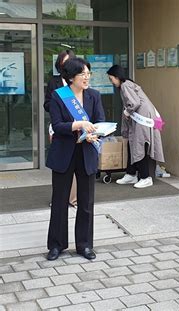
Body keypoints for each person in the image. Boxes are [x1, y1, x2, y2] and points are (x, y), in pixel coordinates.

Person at [45, 57, 105, 261]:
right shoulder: (58, 96)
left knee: (86, 202)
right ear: (71, 77)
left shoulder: (94, 96)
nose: (87, 77)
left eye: (88, 73)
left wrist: (94, 133)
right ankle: (56, 245)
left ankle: (85, 245)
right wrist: (78, 125)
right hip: (64, 152)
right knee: (60, 200)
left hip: (86, 152)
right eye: (83, 74)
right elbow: (57, 125)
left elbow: (99, 122)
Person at [107, 65, 165, 188]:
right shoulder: (128, 84)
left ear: (117, 77)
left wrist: (127, 112)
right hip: (143, 117)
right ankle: (131, 173)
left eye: (111, 78)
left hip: (142, 119)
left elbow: (134, 103)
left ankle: (145, 177)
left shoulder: (124, 85)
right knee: (132, 144)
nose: (111, 81)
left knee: (140, 145)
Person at [44, 49, 77, 208]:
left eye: (68, 64)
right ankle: (58, 198)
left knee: (76, 163)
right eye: (63, 64)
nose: (65, 67)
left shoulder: (78, 83)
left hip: (77, 128)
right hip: (59, 126)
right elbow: (47, 104)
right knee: (60, 164)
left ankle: (73, 198)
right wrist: (58, 105)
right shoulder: (54, 82)